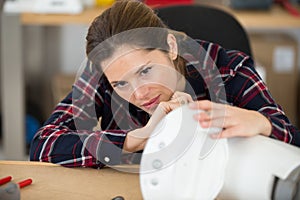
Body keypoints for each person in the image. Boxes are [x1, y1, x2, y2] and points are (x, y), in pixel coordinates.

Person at [30, 0, 299, 168]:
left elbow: (293, 143)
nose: (138, 93)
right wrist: (136, 138)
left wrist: (262, 123)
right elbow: (44, 144)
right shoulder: (104, 73)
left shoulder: (230, 70)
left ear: (170, 46)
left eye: (146, 71)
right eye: (121, 84)